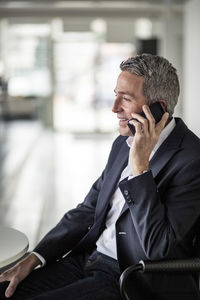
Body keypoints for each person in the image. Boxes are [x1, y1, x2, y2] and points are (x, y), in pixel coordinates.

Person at [1, 53, 200, 300]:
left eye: (125, 99)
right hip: (88, 260)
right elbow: (88, 209)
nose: (114, 107)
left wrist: (140, 168)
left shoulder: (191, 159)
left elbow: (159, 247)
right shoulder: (122, 143)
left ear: (158, 108)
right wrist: (35, 257)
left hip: (130, 277)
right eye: (116, 94)